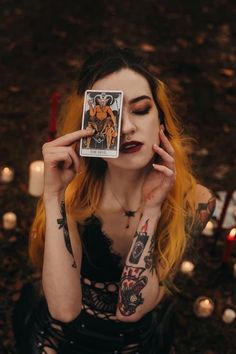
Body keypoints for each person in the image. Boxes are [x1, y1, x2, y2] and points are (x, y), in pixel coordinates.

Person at [28, 46, 215, 354]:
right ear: (88, 128)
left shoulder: (196, 200)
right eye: (110, 114)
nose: (127, 128)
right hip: (61, 339)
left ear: (162, 122)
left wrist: (153, 208)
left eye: (141, 110)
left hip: (133, 344)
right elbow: (63, 310)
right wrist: (53, 195)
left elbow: (131, 310)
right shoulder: (73, 190)